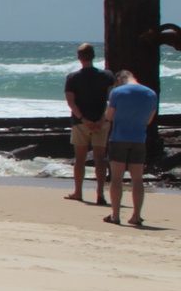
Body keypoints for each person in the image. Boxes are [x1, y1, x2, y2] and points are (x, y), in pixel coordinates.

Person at [102, 69, 158, 227]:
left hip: (119, 138)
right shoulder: (151, 94)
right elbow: (148, 120)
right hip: (139, 139)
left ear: (119, 79)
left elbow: (109, 116)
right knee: (137, 180)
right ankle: (136, 215)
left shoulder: (117, 92)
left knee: (116, 179)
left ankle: (115, 215)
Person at [64, 43, 114, 204]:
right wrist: (102, 119)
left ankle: (78, 192)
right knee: (100, 158)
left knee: (80, 158)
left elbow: (71, 103)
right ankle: (100, 193)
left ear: (79, 57)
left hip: (80, 123)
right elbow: (112, 100)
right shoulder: (106, 76)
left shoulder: (73, 77)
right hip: (100, 121)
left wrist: (84, 119)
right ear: (93, 56)